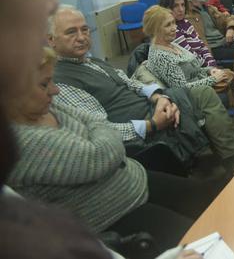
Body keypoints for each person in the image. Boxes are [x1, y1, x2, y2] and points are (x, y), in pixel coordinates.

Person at [0, 0, 198, 258]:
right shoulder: (45, 95)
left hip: (133, 175)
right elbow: (99, 142)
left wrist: (154, 93)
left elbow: (101, 122)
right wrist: (149, 120)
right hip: (126, 193)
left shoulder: (91, 65)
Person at [8, 48, 218, 258]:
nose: (55, 90)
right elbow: (99, 156)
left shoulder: (49, 106)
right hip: (113, 216)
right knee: (204, 240)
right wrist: (103, 140)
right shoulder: (19, 142)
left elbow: (99, 123)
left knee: (211, 201)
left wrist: (104, 140)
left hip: (133, 180)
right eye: (44, 84)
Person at [48, 6, 234, 177]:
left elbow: (132, 83)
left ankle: (230, 159)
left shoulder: (94, 62)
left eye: (84, 30)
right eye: (71, 32)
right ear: (51, 40)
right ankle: (231, 160)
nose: (82, 37)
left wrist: (159, 97)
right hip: (141, 125)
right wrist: (151, 124)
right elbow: (100, 129)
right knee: (202, 94)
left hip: (153, 105)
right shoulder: (61, 83)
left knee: (201, 94)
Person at [143, 6, 232, 89]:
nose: (174, 28)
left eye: (173, 23)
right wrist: (213, 79)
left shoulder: (172, 44)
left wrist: (210, 71)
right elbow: (182, 89)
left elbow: (194, 71)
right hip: (197, 97)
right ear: (154, 30)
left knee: (232, 76)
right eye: (168, 25)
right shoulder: (160, 56)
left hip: (204, 84)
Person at [182, 0, 234, 64]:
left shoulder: (209, 8)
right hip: (213, 49)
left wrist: (230, 28)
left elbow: (230, 18)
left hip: (225, 42)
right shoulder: (188, 15)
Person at [163, 0, 217, 68]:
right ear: (167, 8)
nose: (181, 9)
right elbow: (190, 55)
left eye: (183, 5)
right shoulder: (172, 29)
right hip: (195, 71)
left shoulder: (186, 22)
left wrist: (212, 63)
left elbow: (202, 46)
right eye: (175, 6)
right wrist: (209, 68)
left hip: (206, 67)